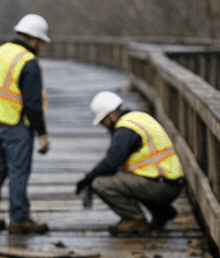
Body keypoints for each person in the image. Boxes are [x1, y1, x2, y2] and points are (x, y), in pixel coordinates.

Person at [0, 13, 52, 235]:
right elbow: (32, 103)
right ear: (35, 39)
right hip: (15, 123)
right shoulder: (27, 62)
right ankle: (19, 219)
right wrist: (42, 133)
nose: (41, 47)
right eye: (41, 43)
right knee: (19, 172)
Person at [74, 91, 185, 235]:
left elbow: (111, 163)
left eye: (102, 122)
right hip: (171, 183)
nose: (104, 126)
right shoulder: (137, 118)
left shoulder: (125, 129)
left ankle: (134, 218)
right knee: (125, 175)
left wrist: (88, 179)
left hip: (162, 186)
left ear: (111, 117)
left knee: (100, 183)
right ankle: (161, 212)